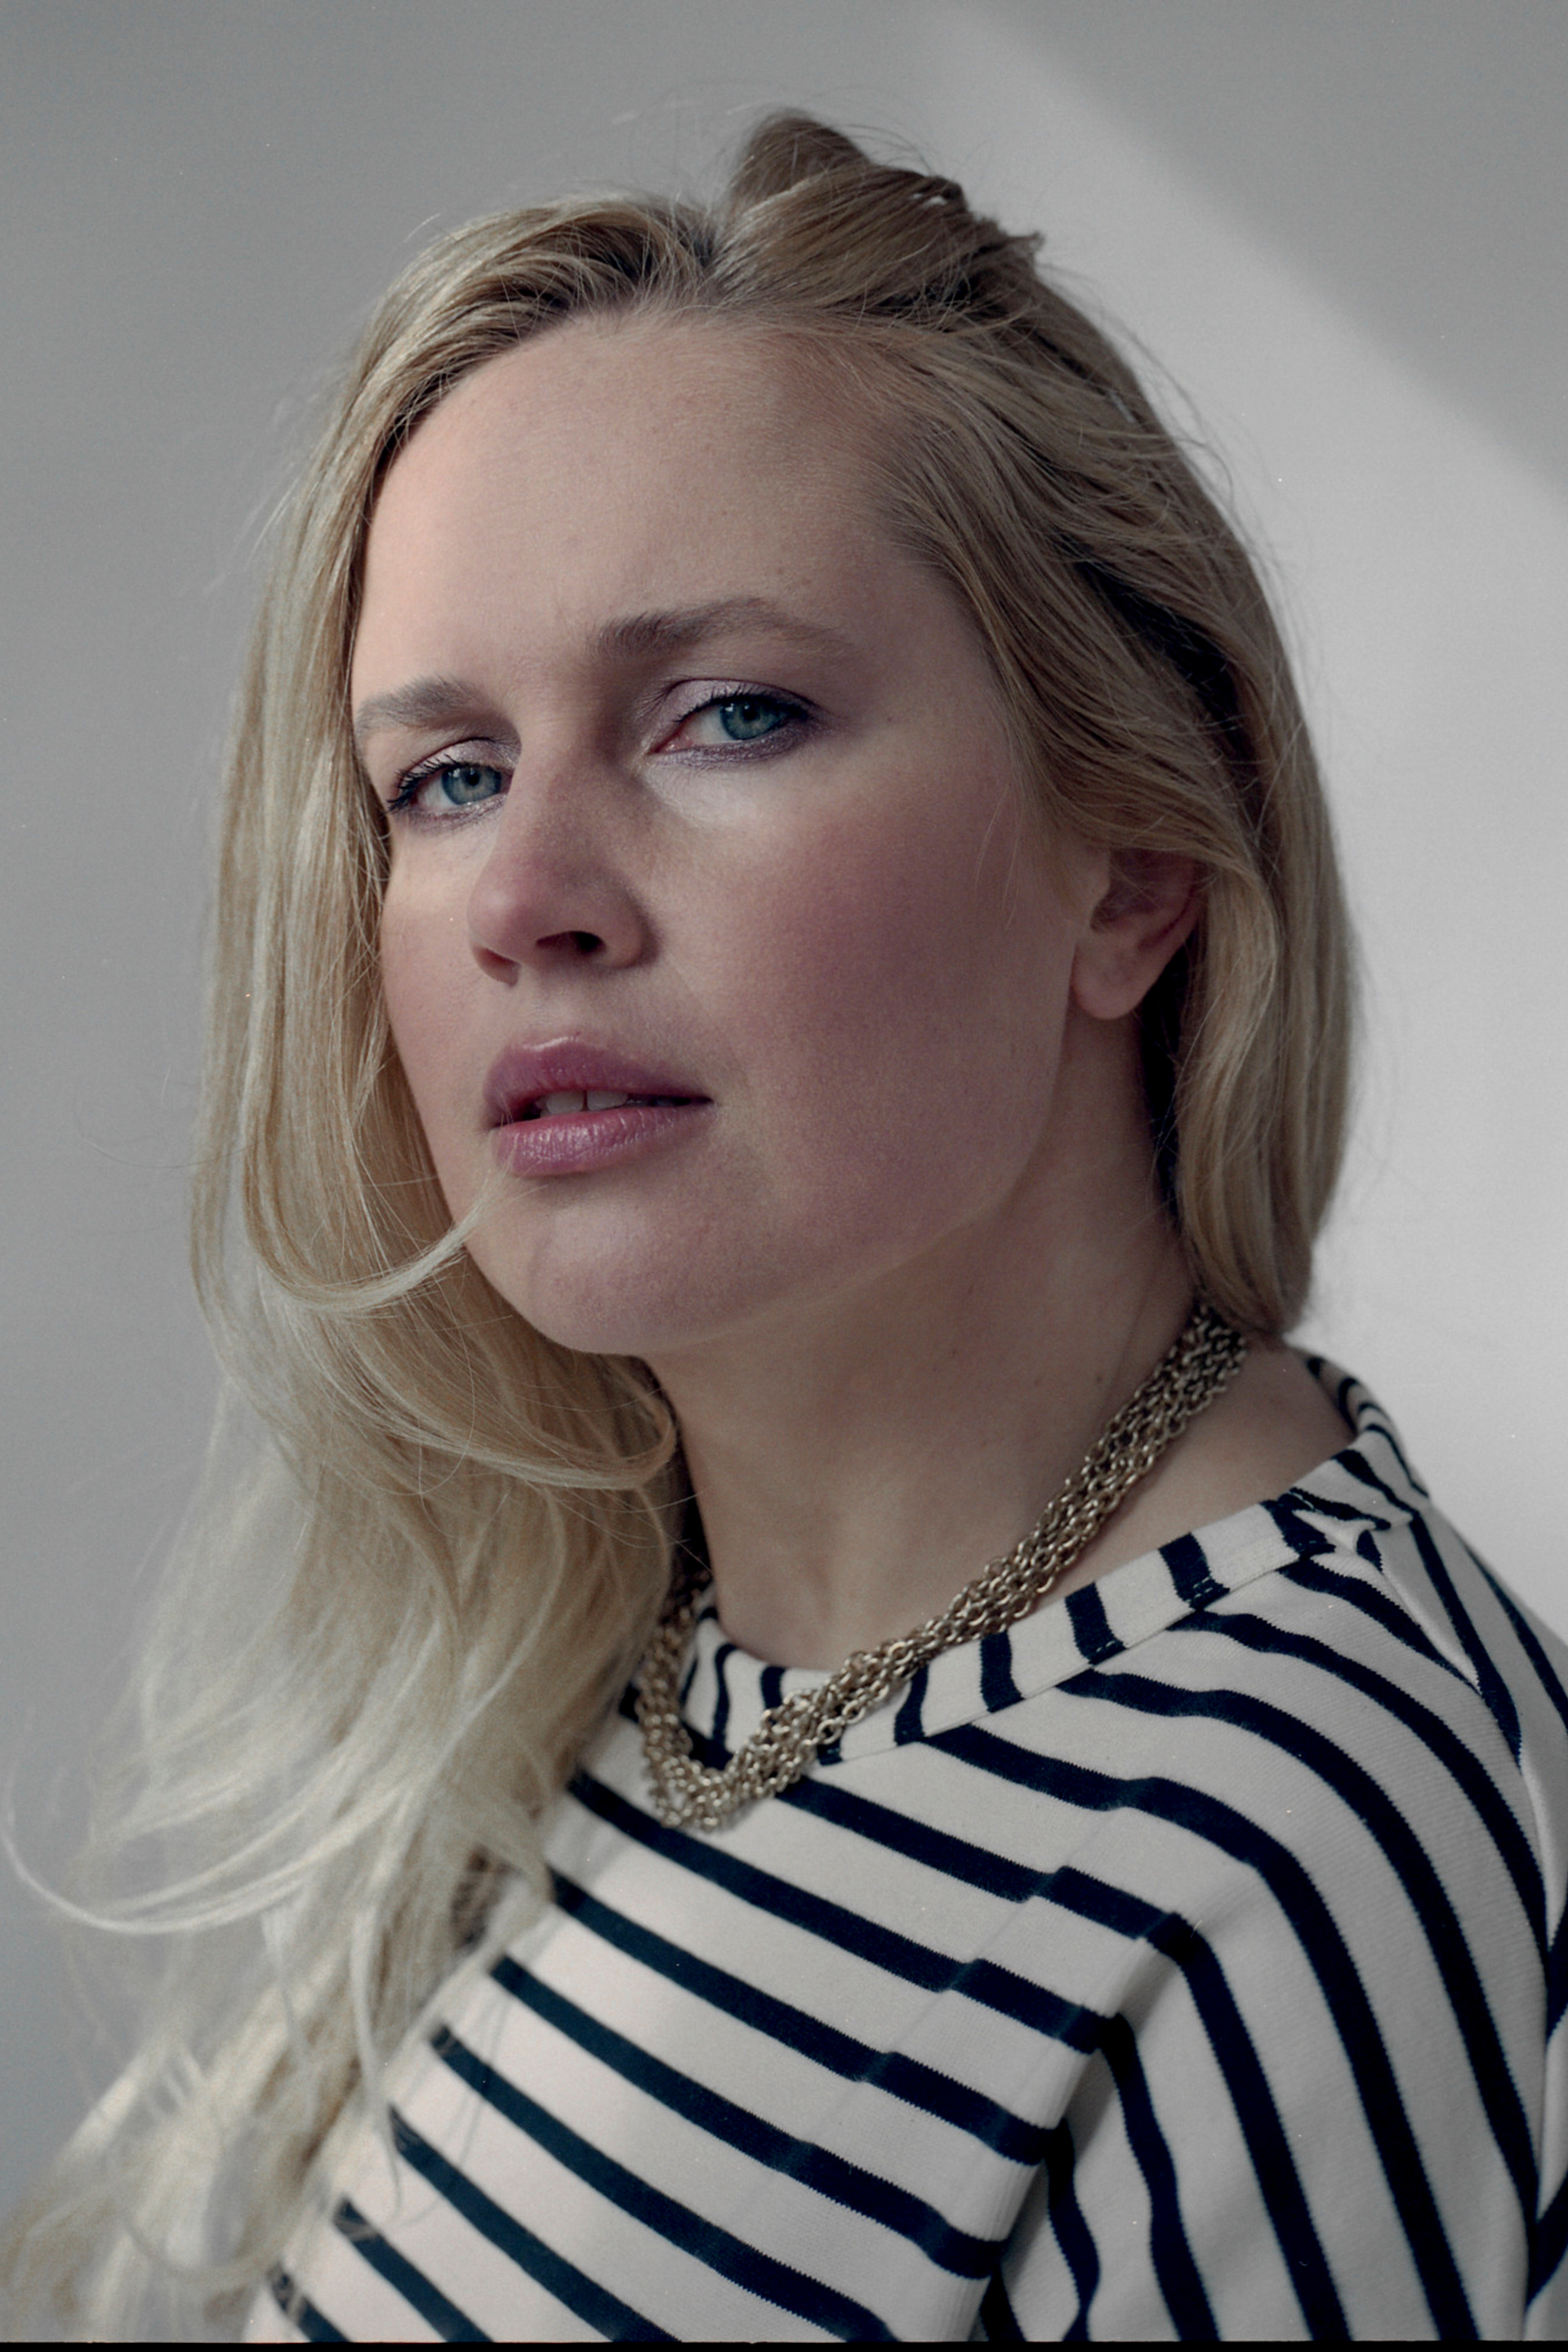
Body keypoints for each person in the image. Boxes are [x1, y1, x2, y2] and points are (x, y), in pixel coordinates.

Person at [7, 113, 1566, 2343]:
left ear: (1133, 864)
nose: (527, 897)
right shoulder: (617, 1661)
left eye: (728, 715)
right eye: (446, 775)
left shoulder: (1311, 1838)